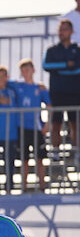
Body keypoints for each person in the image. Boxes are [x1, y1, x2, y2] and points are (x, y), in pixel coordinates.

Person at [9, 59, 51, 191]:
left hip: (37, 127)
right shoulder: (17, 85)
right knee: (24, 159)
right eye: (23, 70)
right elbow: (1, 82)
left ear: (33, 70)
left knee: (40, 158)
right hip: (21, 128)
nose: (25, 72)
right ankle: (24, 187)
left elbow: (49, 105)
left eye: (28, 69)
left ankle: (43, 186)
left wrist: (47, 123)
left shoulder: (39, 88)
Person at [42, 19, 80, 155]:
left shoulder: (77, 49)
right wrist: (66, 65)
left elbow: (78, 68)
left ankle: (77, 153)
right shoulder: (51, 50)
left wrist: (59, 69)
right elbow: (46, 66)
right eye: (60, 29)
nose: (62, 32)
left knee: (75, 124)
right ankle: (55, 153)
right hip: (57, 92)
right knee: (56, 123)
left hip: (75, 93)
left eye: (65, 29)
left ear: (71, 31)